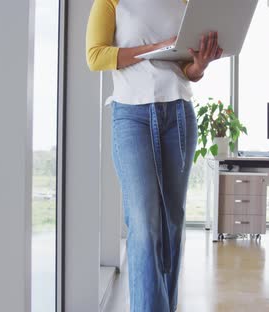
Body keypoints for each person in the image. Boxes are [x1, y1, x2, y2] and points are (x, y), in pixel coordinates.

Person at [86, 1, 223, 311]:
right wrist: (158, 47)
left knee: (172, 223)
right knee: (145, 224)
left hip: (178, 113)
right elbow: (96, 56)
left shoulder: (185, 3)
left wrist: (200, 65)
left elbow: (186, 70)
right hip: (131, 116)